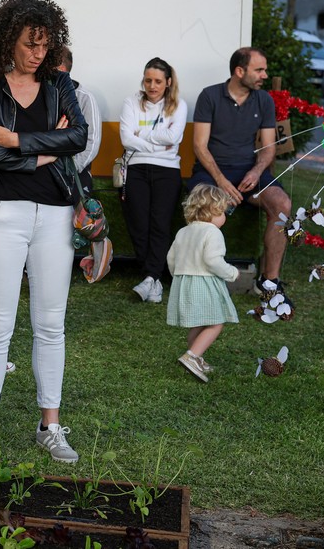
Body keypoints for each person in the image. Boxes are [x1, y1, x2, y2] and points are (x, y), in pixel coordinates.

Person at [0, 0, 88, 467]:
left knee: (50, 324)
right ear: (7, 41)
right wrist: (45, 151)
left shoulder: (59, 83)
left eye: (45, 44)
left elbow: (79, 136)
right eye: (30, 44)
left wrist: (17, 141)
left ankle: (49, 424)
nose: (38, 54)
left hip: (55, 213)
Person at [187, 47, 293, 301]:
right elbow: (199, 146)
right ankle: (200, 282)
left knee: (282, 204)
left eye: (264, 70)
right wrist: (221, 182)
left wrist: (257, 171)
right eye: (259, 70)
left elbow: (268, 148)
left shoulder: (264, 100)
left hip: (250, 174)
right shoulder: (209, 96)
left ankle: (269, 283)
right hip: (212, 172)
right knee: (204, 208)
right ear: (239, 71)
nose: (264, 75)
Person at [119, 57, 188, 303]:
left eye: (158, 81)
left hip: (167, 170)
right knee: (139, 223)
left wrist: (142, 135)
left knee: (159, 224)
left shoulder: (179, 105)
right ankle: (154, 281)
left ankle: (151, 277)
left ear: (168, 82)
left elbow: (175, 136)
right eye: (148, 80)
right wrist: (160, 143)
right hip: (136, 167)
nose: (152, 85)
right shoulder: (131, 102)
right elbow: (127, 140)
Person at [166, 184, 240, 383]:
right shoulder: (213, 232)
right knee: (216, 322)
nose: (224, 217)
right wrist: (231, 272)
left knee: (199, 322)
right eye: (223, 212)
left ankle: (196, 356)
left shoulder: (183, 231)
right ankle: (191, 356)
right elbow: (213, 260)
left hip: (184, 282)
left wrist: (178, 277)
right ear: (213, 210)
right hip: (204, 282)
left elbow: (171, 258)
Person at [57, 48, 102, 191]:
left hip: (76, 173)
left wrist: (71, 168)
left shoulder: (84, 98)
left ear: (61, 69)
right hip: (45, 171)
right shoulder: (38, 94)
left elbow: (92, 140)